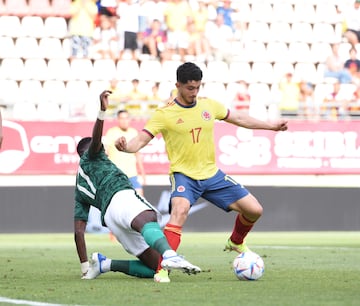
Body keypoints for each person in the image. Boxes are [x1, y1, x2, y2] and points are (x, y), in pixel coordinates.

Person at [115, 62, 288, 279]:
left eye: (197, 87)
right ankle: (162, 268)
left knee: (254, 210)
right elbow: (140, 140)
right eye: (189, 88)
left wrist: (271, 126)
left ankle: (235, 241)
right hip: (184, 176)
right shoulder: (165, 114)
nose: (194, 92)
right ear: (178, 85)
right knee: (179, 212)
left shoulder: (209, 106)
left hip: (212, 175)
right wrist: (126, 147)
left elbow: (241, 119)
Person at [74, 90, 201, 283]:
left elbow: (78, 231)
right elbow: (96, 138)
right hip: (120, 196)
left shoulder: (79, 186)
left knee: (156, 268)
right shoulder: (92, 156)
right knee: (148, 217)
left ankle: (105, 264)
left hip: (111, 220)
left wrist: (84, 266)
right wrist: (102, 111)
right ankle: (169, 253)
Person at [105, 109, 146, 196]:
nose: (124, 121)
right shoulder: (112, 132)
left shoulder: (133, 132)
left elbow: (138, 155)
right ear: (118, 120)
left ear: (130, 119)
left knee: (141, 199)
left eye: (126, 118)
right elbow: (106, 153)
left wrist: (143, 174)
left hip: (132, 174)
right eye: (122, 118)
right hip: (116, 175)